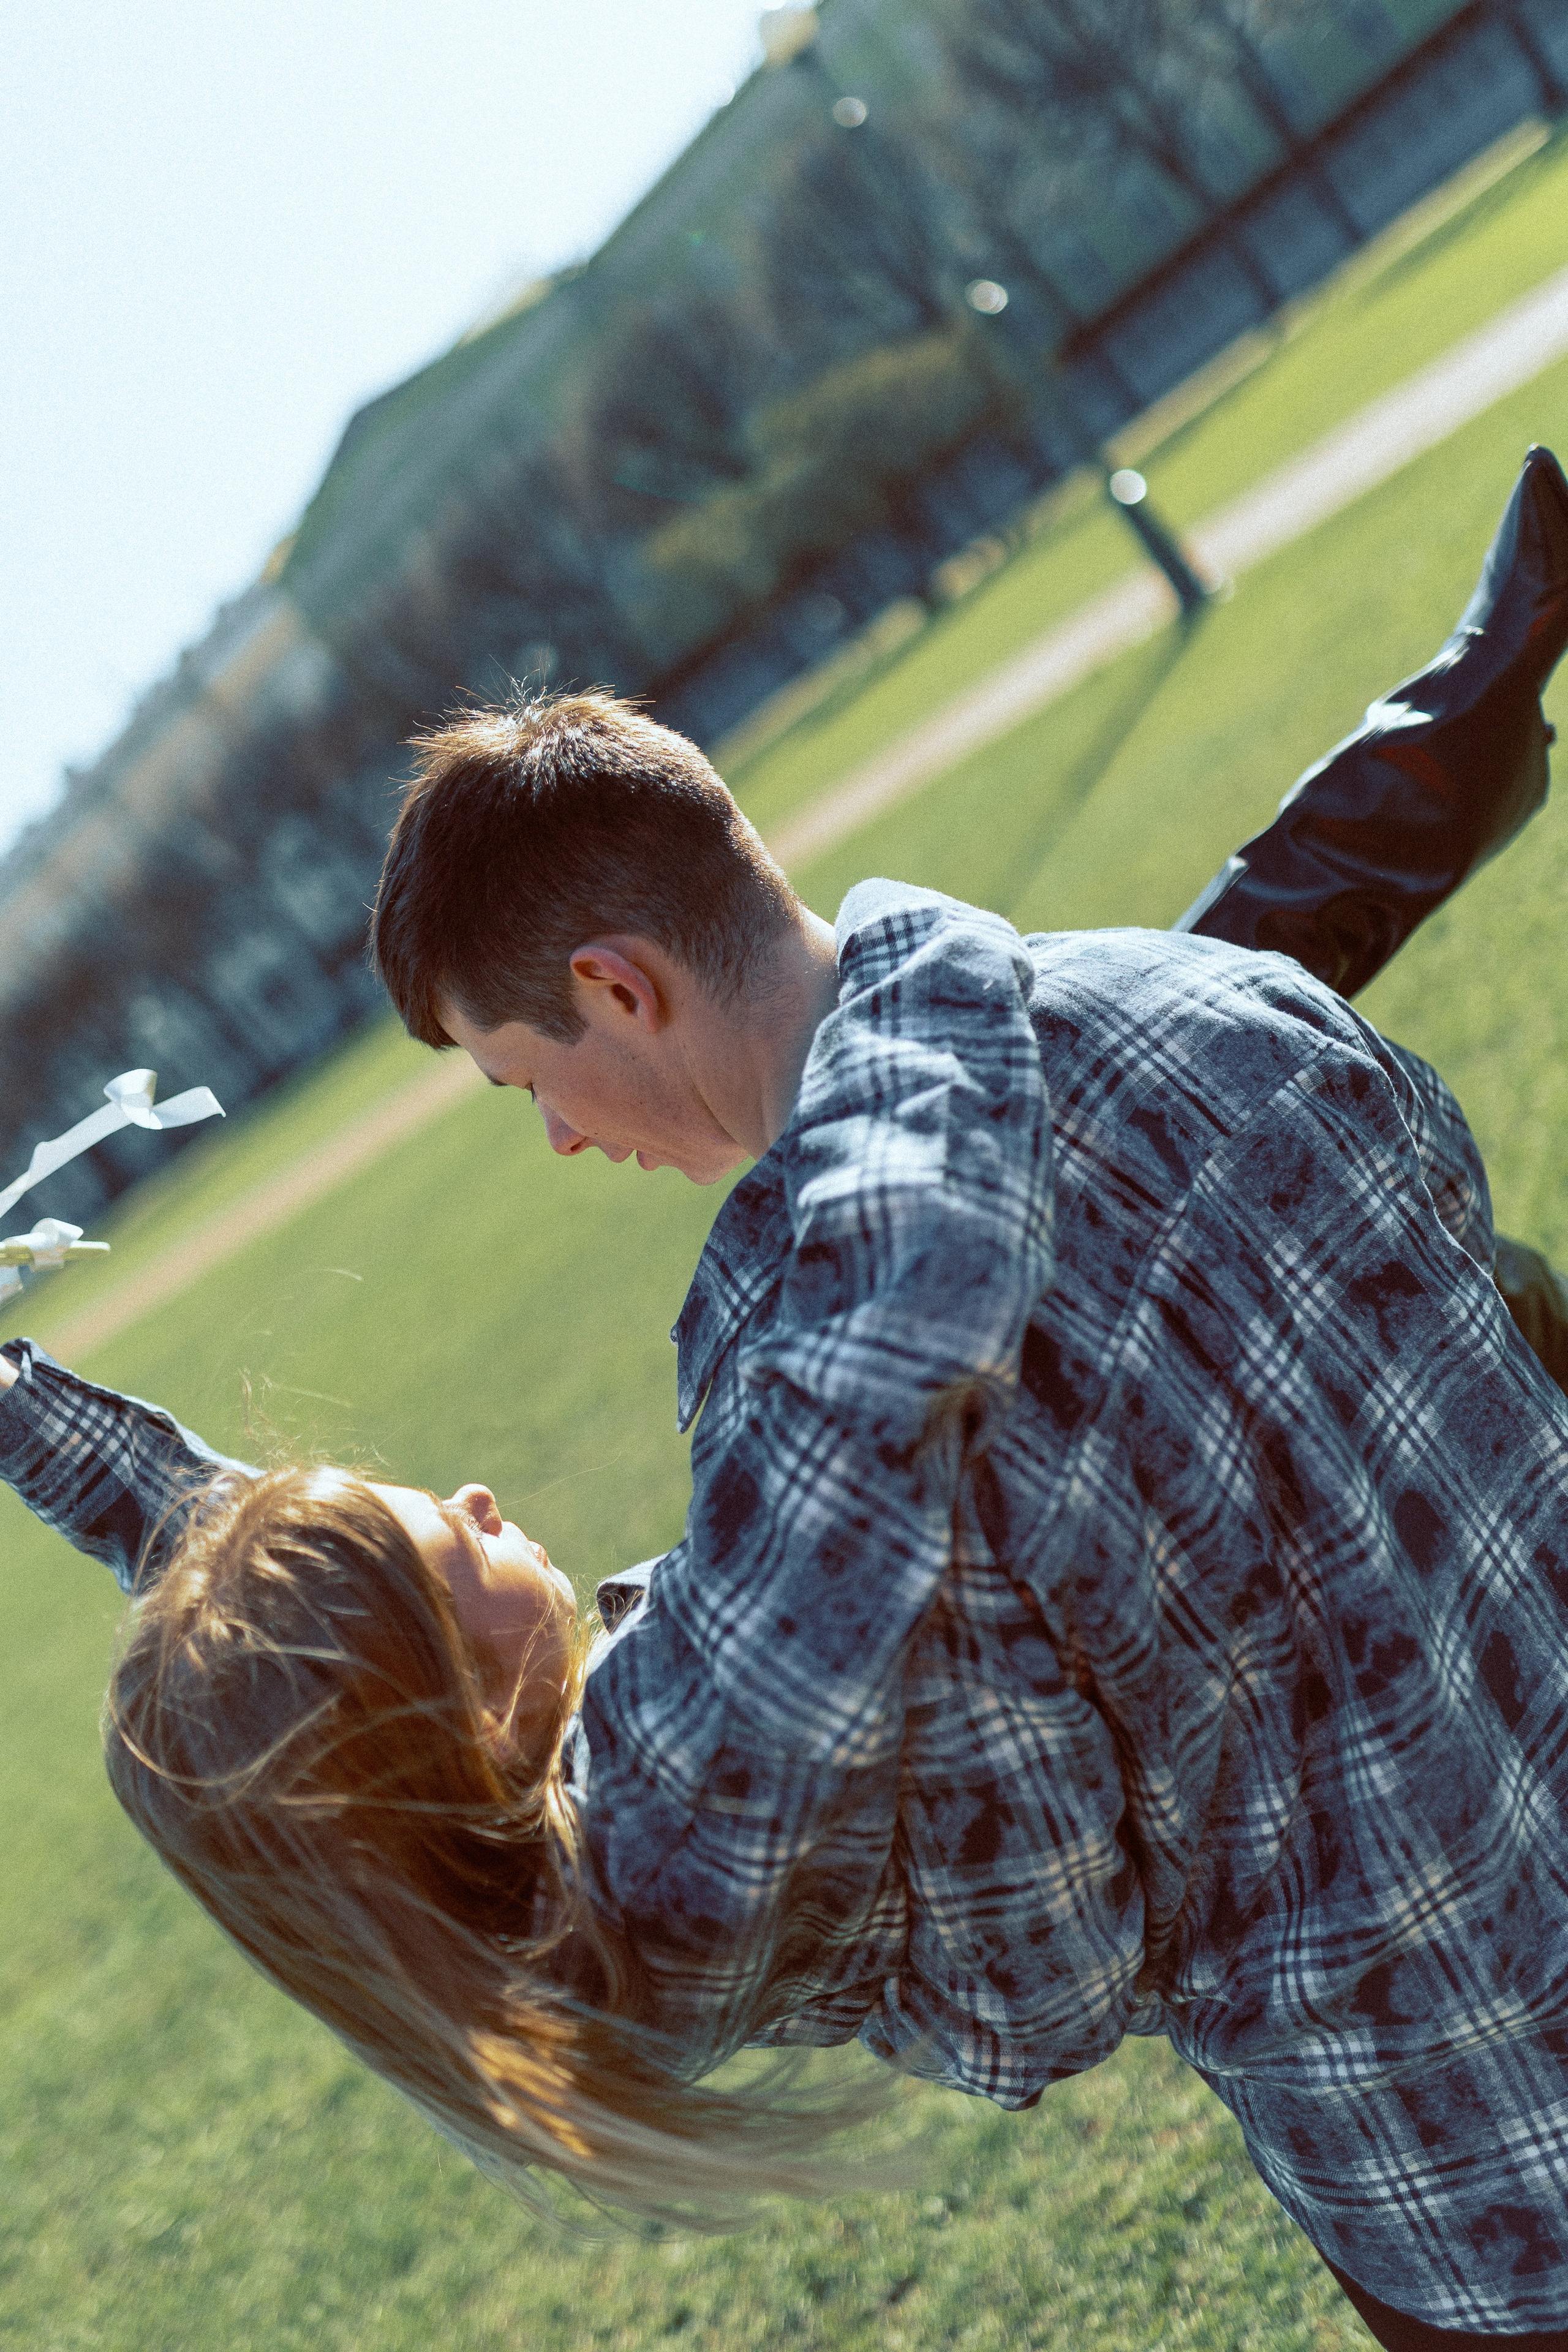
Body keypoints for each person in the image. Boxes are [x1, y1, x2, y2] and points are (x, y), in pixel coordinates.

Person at [6, 454, 1568, 2352]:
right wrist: (927, 959)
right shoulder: (1169, 1040)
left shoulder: (757, 1575)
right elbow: (934, 1276)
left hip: (1467, 2166)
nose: (567, 1135)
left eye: (531, 1082)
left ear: (617, 984)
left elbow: (290, 1638)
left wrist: (20, 1406)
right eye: (451, 1541)